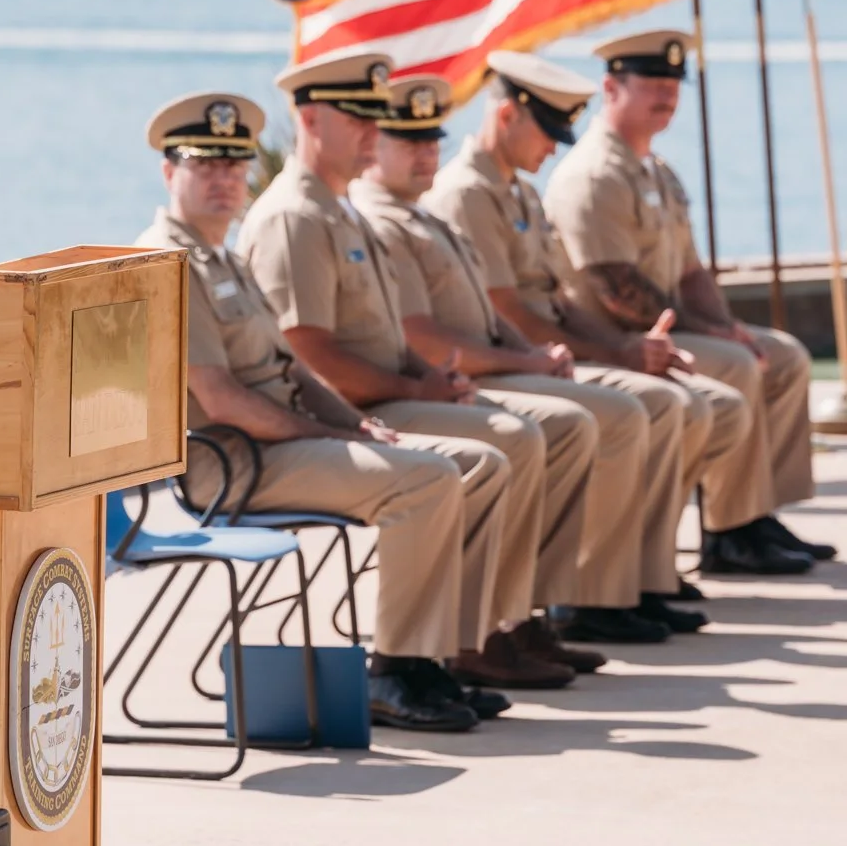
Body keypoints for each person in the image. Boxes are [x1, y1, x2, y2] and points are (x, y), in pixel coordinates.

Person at [137, 90, 499, 731]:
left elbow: (293, 369)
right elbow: (223, 400)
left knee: (468, 463)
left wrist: (357, 426)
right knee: (426, 478)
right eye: (204, 165)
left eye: (233, 165)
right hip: (232, 464)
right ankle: (394, 670)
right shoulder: (169, 263)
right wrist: (332, 432)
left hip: (281, 446)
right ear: (170, 173)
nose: (223, 180)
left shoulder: (222, 255)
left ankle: (431, 659)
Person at [236, 49, 574, 693]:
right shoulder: (294, 216)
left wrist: (432, 380)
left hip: (376, 402)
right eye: (358, 118)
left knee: (505, 447)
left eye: (374, 118)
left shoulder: (341, 210)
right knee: (489, 450)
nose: (373, 132)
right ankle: (409, 662)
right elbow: (311, 354)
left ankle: (469, 638)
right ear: (309, 120)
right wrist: (415, 389)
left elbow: (388, 337)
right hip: (337, 413)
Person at [427, 49, 742, 631]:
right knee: (633, 410)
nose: (552, 148)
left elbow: (560, 303)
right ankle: (586, 595)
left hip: (535, 356)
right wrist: (612, 354)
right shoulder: (467, 194)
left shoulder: (516, 190)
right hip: (502, 363)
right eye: (546, 132)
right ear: (506, 117)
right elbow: (510, 312)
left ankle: (635, 578)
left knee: (687, 402)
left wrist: (635, 347)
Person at [354, 72, 656, 674]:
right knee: (547, 429)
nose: (423, 154)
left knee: (582, 419)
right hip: (427, 388)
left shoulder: (422, 213)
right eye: (406, 141)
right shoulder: (384, 218)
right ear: (372, 145)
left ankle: (522, 615)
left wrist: (543, 355)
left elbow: (498, 313)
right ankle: (485, 629)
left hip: (463, 376)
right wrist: (525, 361)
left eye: (429, 140)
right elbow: (424, 337)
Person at [545, 31, 825, 577]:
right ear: (611, 88)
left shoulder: (657, 170)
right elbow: (614, 289)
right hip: (621, 341)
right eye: (651, 84)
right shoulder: (593, 174)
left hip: (677, 329)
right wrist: (719, 337)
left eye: (672, 84)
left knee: (783, 355)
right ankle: (729, 529)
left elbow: (691, 271)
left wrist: (727, 325)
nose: (666, 96)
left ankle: (757, 510)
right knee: (739, 363)